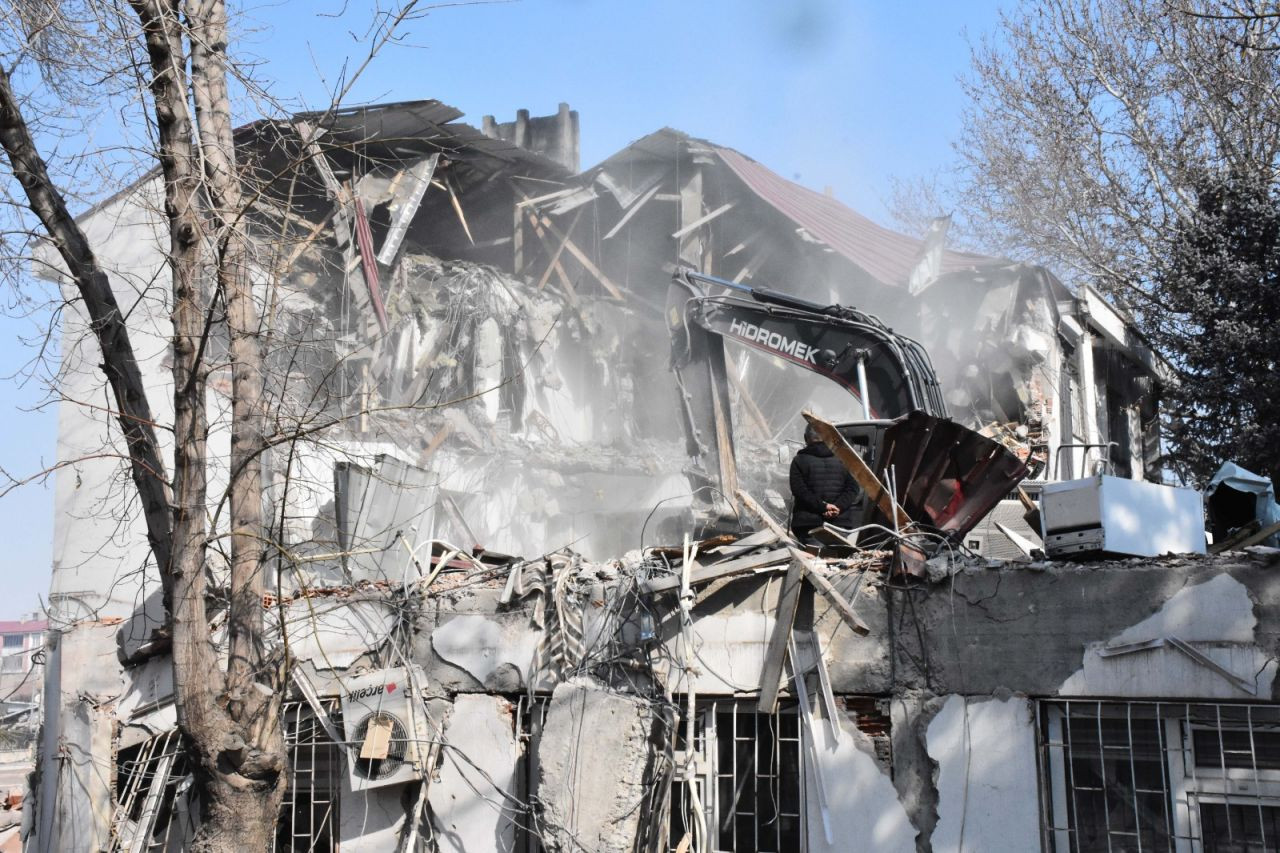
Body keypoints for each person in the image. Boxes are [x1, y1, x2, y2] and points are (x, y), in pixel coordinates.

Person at [789, 424, 861, 545]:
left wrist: (824, 507)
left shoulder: (799, 460)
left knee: (815, 561)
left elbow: (799, 491)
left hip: (809, 525)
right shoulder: (844, 459)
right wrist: (837, 507)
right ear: (828, 438)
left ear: (806, 438)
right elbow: (853, 489)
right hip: (839, 524)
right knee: (839, 560)